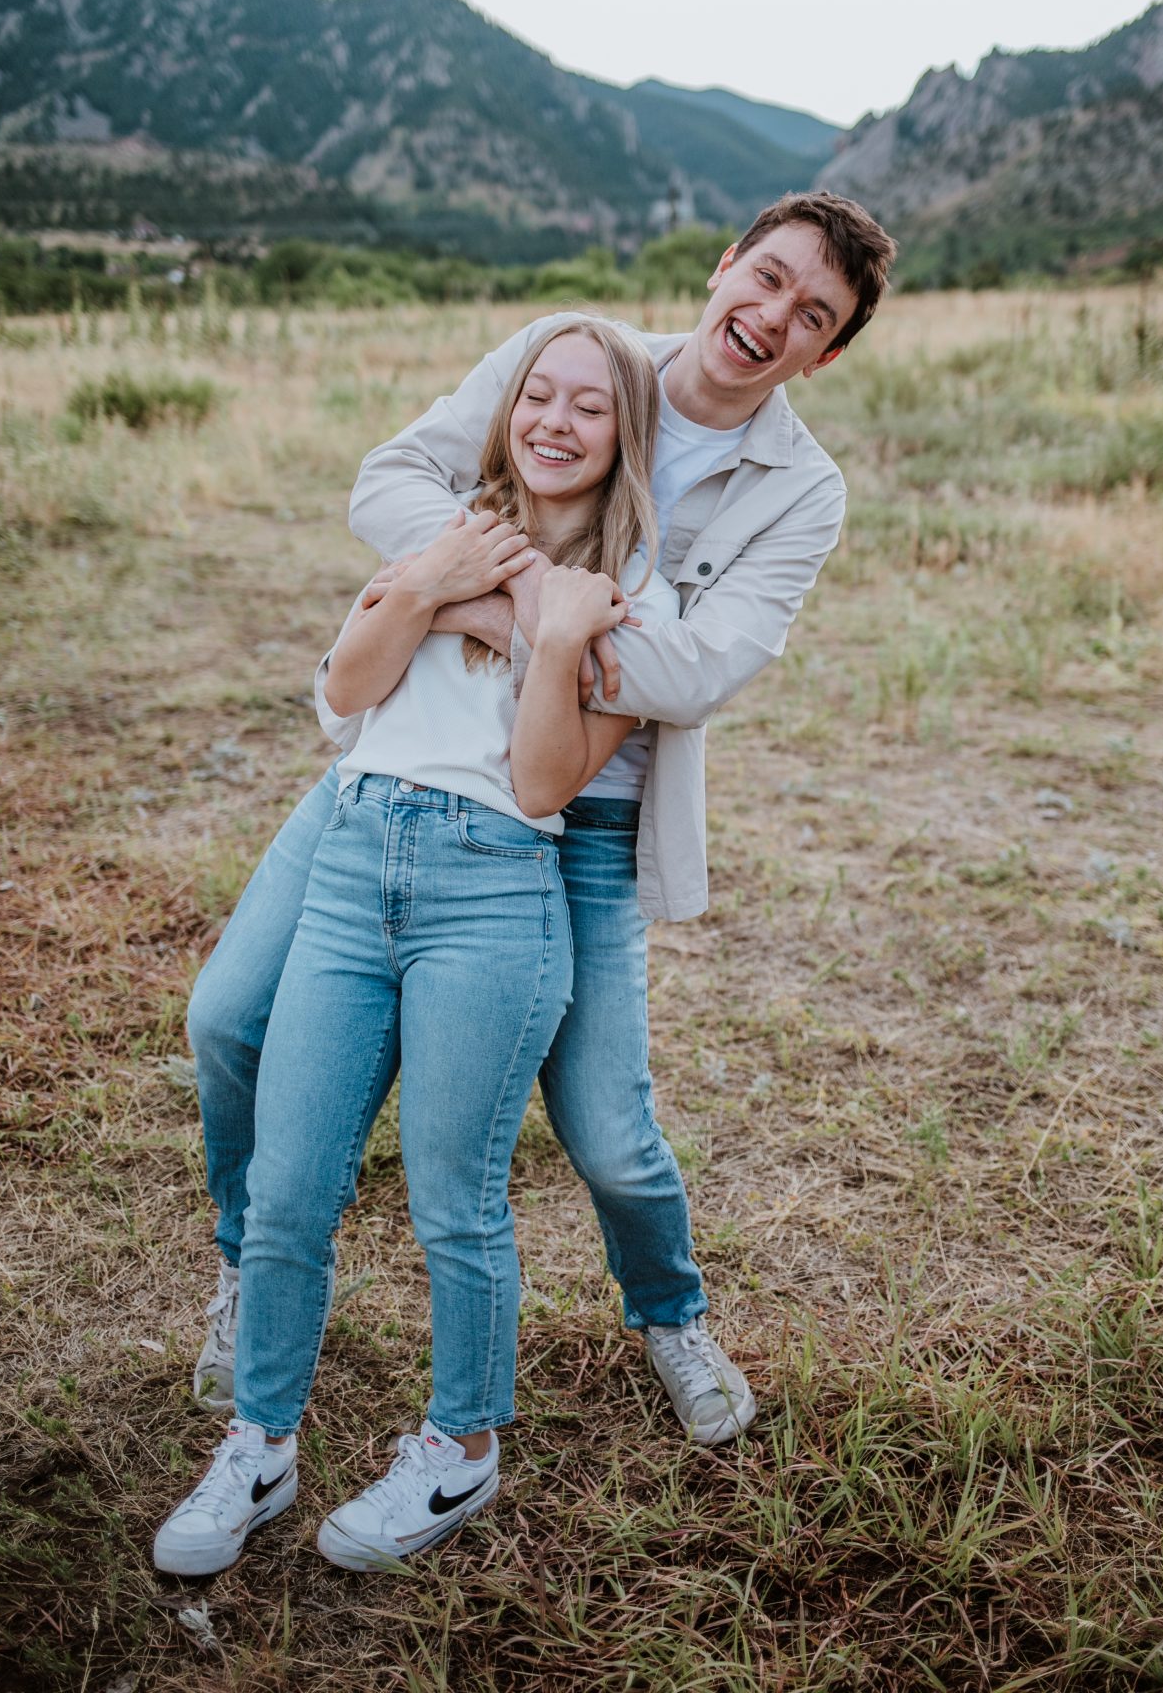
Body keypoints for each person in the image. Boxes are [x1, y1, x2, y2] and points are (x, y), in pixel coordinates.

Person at [183, 189, 896, 1477]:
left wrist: (507, 621)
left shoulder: (803, 488)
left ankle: (671, 1313)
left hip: (584, 816)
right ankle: (248, 1269)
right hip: (406, 768)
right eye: (769, 277)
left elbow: (696, 668)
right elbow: (390, 480)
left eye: (813, 314)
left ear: (826, 352)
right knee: (227, 1019)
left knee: (607, 1127)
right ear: (725, 262)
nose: (772, 316)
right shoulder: (573, 355)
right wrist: (518, 597)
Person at [155, 317, 678, 1576]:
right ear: (507, 408)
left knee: (456, 1196)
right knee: (288, 1185)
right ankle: (260, 1442)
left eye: (588, 407)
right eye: (537, 394)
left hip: (494, 888)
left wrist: (550, 636)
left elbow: (546, 782)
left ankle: (458, 1447)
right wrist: (443, 580)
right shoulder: (442, 520)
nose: (555, 421)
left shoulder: (630, 599)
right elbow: (345, 691)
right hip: (351, 862)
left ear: (625, 438)